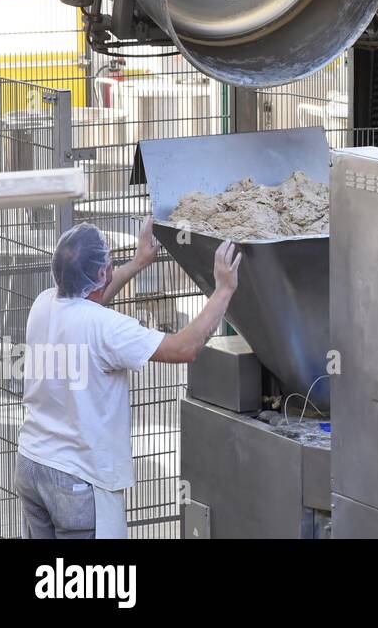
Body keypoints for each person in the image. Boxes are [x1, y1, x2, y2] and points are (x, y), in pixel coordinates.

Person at [16, 217, 241, 538]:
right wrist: (223, 289)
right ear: (99, 274)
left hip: (32, 464)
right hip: (78, 478)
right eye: (109, 261)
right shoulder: (106, 328)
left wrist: (137, 262)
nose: (111, 265)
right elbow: (184, 348)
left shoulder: (44, 303)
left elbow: (91, 300)